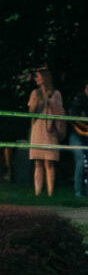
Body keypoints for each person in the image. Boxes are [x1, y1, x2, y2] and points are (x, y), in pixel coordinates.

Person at [28, 68, 65, 197]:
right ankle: (37, 193)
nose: (36, 79)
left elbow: (59, 111)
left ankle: (50, 193)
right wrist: (38, 101)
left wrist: (50, 102)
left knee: (49, 162)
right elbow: (31, 111)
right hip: (38, 129)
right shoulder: (35, 93)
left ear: (44, 77)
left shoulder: (56, 94)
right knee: (38, 162)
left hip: (50, 130)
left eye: (38, 76)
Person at [68, 81, 88, 197]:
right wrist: (83, 130)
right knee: (80, 160)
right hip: (76, 136)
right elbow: (72, 118)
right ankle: (78, 191)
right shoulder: (79, 100)